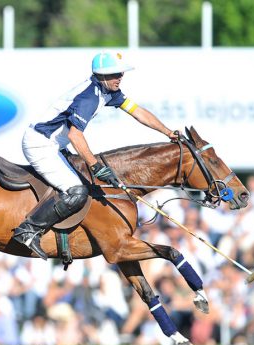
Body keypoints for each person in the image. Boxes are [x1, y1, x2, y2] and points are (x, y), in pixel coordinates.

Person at [13, 51, 178, 259]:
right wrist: (95, 165)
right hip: (40, 144)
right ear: (102, 75)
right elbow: (75, 135)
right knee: (76, 191)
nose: (120, 77)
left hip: (54, 144)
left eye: (121, 73)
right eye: (115, 74)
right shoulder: (89, 96)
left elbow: (138, 112)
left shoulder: (108, 91)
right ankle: (28, 229)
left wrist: (168, 132)